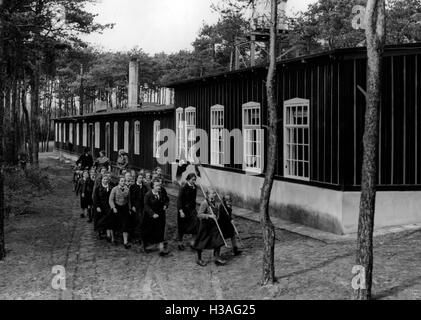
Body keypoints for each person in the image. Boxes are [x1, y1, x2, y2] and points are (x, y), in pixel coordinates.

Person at [193, 189, 226, 267]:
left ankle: (217, 257)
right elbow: (199, 215)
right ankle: (199, 259)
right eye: (212, 193)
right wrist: (209, 216)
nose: (214, 195)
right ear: (208, 194)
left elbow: (217, 213)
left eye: (215, 193)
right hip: (205, 226)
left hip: (213, 225)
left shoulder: (215, 203)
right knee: (201, 242)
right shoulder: (205, 203)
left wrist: (217, 217)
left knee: (218, 239)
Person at [143, 179, 169, 256]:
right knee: (149, 231)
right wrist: (152, 213)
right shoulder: (148, 195)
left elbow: (166, 200)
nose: (159, 187)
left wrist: (165, 205)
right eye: (157, 185)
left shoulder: (161, 193)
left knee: (160, 231)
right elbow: (146, 206)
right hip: (150, 217)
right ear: (152, 186)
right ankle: (147, 247)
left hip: (160, 216)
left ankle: (161, 249)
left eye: (159, 185)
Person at [176, 173, 199, 251]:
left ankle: (193, 243)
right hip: (183, 210)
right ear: (188, 179)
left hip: (192, 210)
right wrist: (181, 211)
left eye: (195, 179)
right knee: (182, 227)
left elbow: (194, 199)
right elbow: (179, 200)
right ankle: (180, 243)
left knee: (196, 225)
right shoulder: (183, 187)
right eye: (193, 179)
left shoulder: (195, 187)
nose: (194, 181)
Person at [109, 176, 132, 249]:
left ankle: (125, 242)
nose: (123, 182)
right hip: (116, 207)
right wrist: (113, 207)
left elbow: (129, 201)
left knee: (125, 224)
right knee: (114, 223)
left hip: (124, 208)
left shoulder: (127, 189)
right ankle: (113, 239)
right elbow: (110, 200)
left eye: (124, 181)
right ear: (119, 182)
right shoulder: (114, 189)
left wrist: (129, 209)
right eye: (122, 181)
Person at [93, 175, 112, 240]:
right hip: (100, 206)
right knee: (100, 220)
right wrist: (97, 206)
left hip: (108, 206)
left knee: (108, 220)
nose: (105, 180)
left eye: (106, 179)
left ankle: (108, 235)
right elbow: (96, 198)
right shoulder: (98, 188)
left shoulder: (110, 188)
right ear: (101, 180)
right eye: (104, 179)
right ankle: (99, 233)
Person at [130, 174, 147, 244]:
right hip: (136, 207)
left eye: (142, 178)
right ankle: (135, 237)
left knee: (142, 221)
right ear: (136, 178)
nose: (141, 179)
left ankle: (141, 237)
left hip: (142, 207)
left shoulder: (144, 187)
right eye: (139, 178)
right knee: (136, 221)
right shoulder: (133, 186)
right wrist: (132, 206)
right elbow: (130, 197)